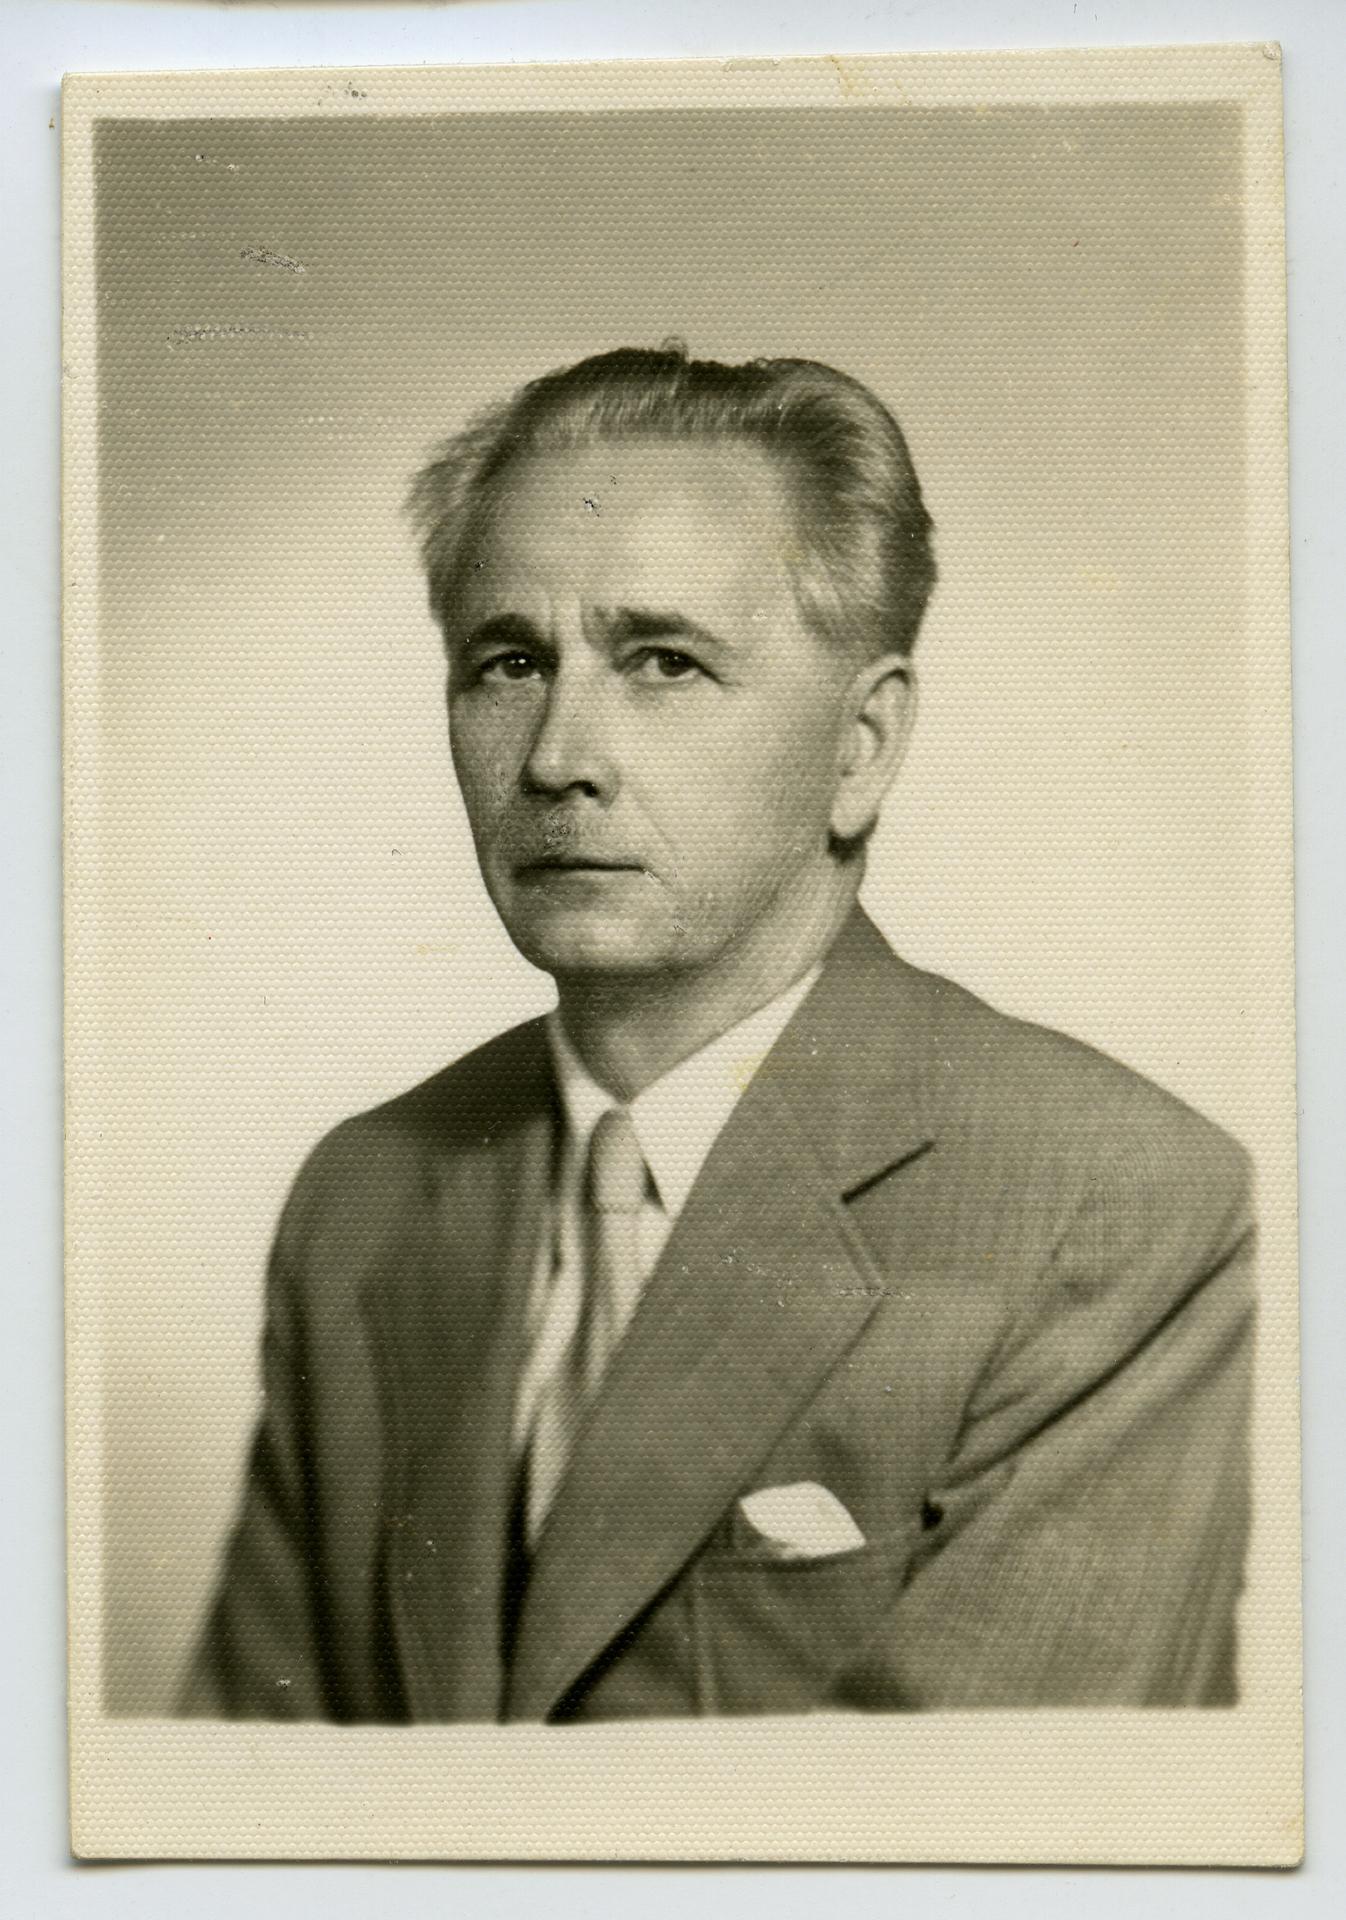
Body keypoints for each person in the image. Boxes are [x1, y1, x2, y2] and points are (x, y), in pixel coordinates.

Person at [183, 345, 1254, 1722]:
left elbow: (971, 1833)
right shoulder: (362, 1198)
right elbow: (237, 1795)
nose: (557, 757)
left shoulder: (1116, 1208)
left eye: (663, 662)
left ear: (862, 747)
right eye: (508, 662)